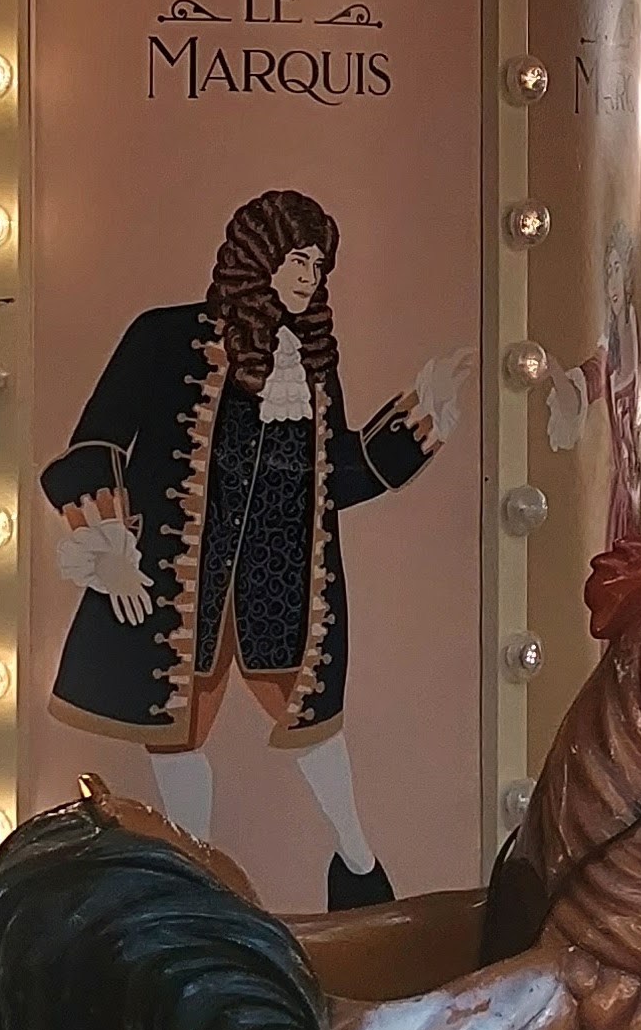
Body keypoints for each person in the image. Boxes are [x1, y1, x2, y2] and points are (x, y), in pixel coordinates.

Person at [42, 184, 456, 910]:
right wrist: (109, 546)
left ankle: (358, 866)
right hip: (178, 584)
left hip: (279, 585)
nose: (309, 277)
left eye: (319, 266)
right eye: (298, 260)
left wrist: (420, 424)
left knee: (313, 724)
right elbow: (94, 442)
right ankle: (198, 885)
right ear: (258, 258)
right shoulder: (164, 336)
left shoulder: (311, 368)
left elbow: (331, 477)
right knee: (177, 727)